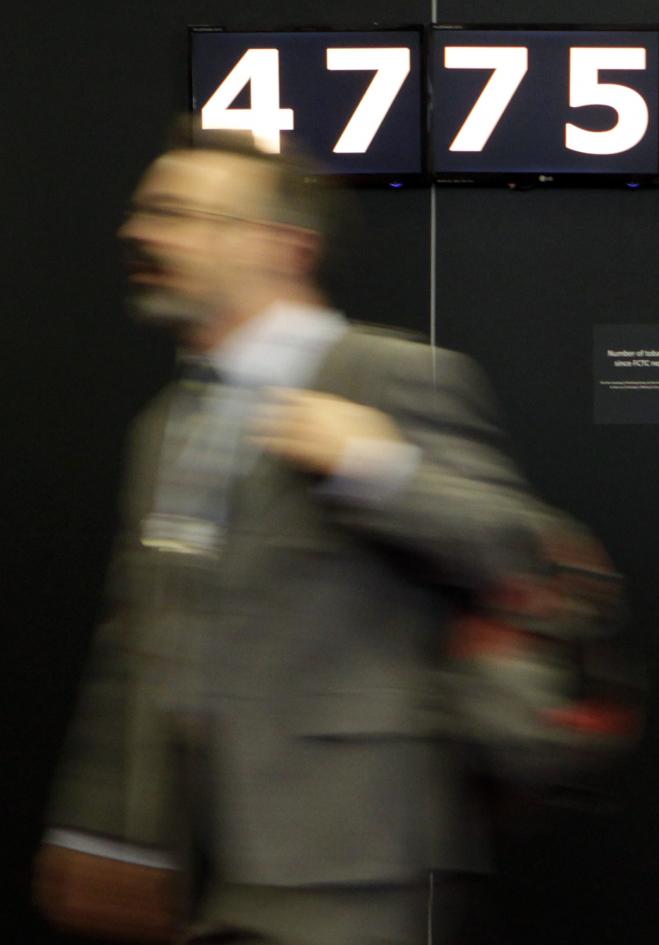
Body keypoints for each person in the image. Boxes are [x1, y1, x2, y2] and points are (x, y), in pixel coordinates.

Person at [34, 125, 614, 944]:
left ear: (282, 245)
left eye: (178, 214)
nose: (142, 234)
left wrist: (374, 463)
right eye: (145, 213)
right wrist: (100, 824)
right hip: (195, 849)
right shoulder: (162, 426)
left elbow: (515, 548)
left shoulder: (392, 374)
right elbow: (134, 643)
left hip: (354, 851)